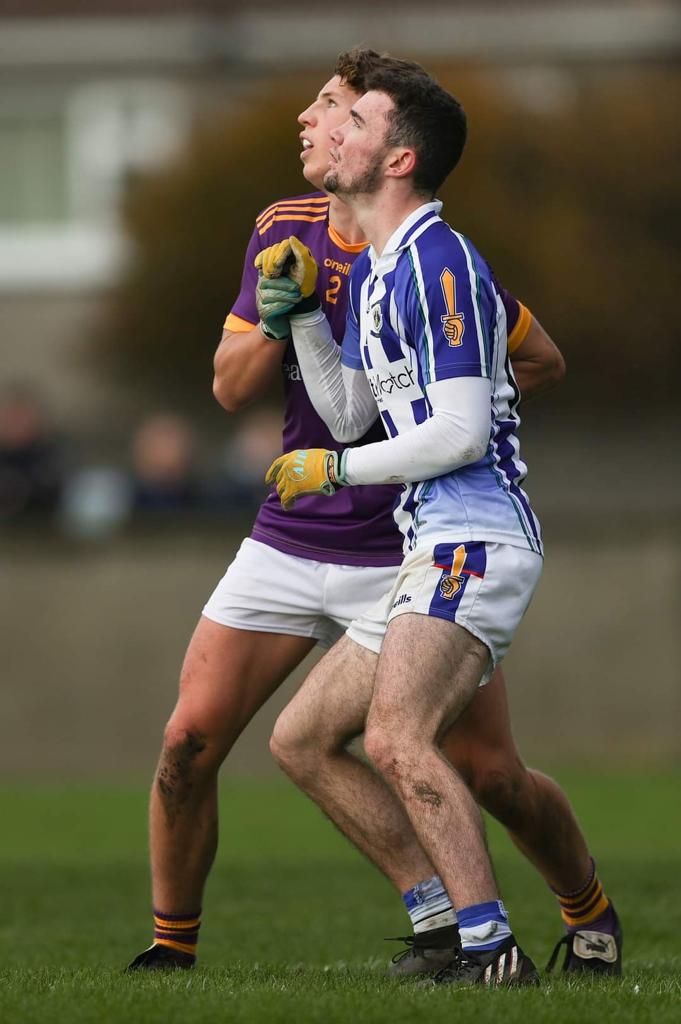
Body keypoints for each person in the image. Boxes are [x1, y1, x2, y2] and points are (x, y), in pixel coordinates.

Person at [128, 49, 619, 978]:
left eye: (346, 114)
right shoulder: (370, 262)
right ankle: (449, 931)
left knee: (441, 755)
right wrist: (301, 316)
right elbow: (345, 404)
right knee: (293, 741)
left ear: (395, 156)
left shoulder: (438, 262)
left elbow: (464, 425)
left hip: (453, 539)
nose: (319, 122)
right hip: (398, 536)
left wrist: (347, 461)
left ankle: (506, 942)